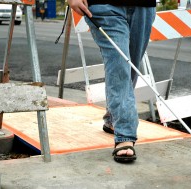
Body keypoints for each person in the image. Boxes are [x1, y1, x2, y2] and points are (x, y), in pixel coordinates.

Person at [67, 0, 156, 163]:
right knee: (119, 66)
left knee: (130, 67)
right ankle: (125, 135)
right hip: (104, 6)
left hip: (144, 6)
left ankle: (112, 120)